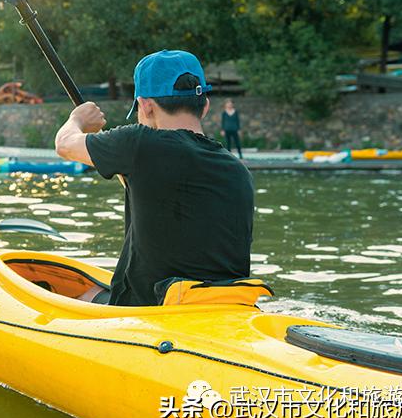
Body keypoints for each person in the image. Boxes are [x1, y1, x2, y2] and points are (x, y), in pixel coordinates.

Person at [54, 50, 254, 306]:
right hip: (221, 309)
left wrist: (77, 119)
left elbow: (65, 144)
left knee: (79, 296)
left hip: (152, 315)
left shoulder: (140, 144)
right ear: (204, 106)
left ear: (146, 106)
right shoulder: (237, 169)